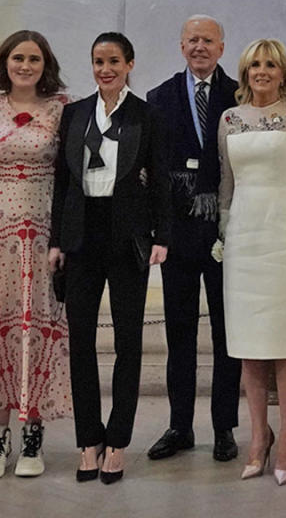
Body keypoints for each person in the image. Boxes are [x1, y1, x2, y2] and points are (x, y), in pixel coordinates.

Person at [50, 32, 171, 484]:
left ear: (130, 64)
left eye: (114, 61)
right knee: (79, 341)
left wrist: (163, 235)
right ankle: (89, 439)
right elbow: (63, 182)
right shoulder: (75, 113)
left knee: (128, 343)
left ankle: (118, 440)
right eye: (99, 61)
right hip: (81, 237)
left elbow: (160, 179)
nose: (106, 69)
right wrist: (56, 241)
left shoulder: (148, 115)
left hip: (127, 239)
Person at [217, 39, 286, 485]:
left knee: (285, 344)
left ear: (283, 71)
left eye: (270, 64)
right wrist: (223, 234)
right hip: (244, 241)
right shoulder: (230, 119)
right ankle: (257, 439)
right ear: (245, 72)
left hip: (285, 237)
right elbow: (227, 185)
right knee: (248, 349)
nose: (262, 71)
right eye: (254, 64)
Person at [0, 30, 72, 478]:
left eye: (33, 59)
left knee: (37, 324)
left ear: (45, 63)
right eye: (17, 58)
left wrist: (66, 236)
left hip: (45, 225)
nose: (25, 66)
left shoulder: (63, 108)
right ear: (4, 62)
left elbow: (71, 173)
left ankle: (33, 432)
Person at [145, 16, 241, 463]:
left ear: (222, 47)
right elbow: (153, 171)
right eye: (192, 40)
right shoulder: (158, 98)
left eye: (208, 40)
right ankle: (179, 426)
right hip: (179, 232)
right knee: (179, 333)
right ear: (181, 46)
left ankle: (224, 427)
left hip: (227, 228)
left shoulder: (240, 94)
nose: (200, 47)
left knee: (227, 333)